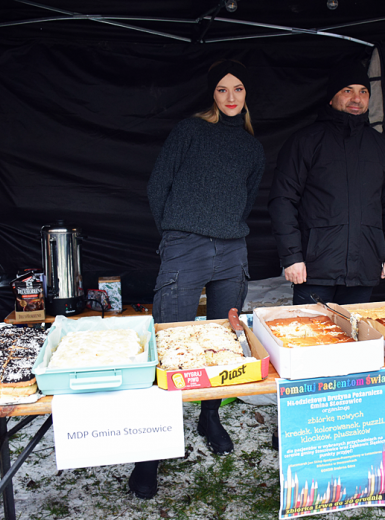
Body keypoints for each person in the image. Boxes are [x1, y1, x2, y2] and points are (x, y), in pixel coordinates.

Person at [133, 60, 265, 499]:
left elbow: (245, 202)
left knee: (224, 340)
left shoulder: (252, 147)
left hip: (232, 249)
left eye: (239, 89)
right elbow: (158, 185)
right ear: (213, 93)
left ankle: (210, 416)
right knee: (170, 341)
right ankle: (149, 453)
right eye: (224, 89)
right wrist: (175, 232)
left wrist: (224, 229)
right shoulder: (189, 131)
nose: (231, 97)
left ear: (247, 94)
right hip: (184, 245)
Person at [268, 62, 385, 306]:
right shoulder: (306, 141)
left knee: (356, 339)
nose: (356, 98)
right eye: (347, 90)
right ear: (331, 98)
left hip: (364, 267)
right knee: (311, 339)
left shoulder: (381, 146)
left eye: (363, 91)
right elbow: (283, 200)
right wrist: (291, 257)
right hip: (314, 269)